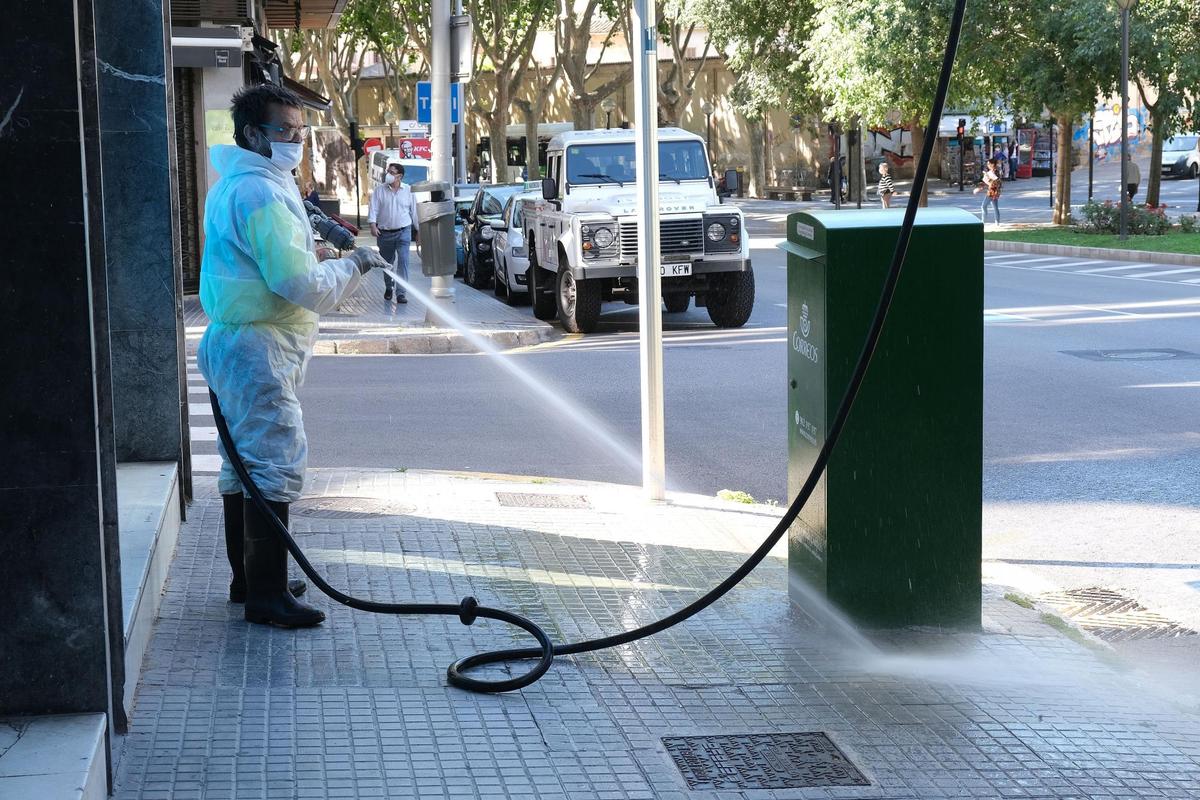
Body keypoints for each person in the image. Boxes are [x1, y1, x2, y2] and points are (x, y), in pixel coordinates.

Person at [198, 84, 387, 629]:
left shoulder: (242, 183)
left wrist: (323, 250)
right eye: (285, 131)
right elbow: (295, 282)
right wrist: (353, 268)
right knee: (272, 463)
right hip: (259, 346)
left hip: (241, 340)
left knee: (244, 466)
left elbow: (273, 261)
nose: (295, 142)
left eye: (301, 132)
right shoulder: (259, 193)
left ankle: (254, 578)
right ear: (253, 134)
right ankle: (266, 595)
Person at [368, 162, 419, 303]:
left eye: (391, 172)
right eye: (387, 171)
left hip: (404, 231)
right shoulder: (380, 191)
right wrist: (373, 225)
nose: (387, 174)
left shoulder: (409, 191)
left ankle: (401, 293)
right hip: (384, 233)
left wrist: (419, 231)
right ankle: (389, 286)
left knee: (403, 262)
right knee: (387, 263)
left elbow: (414, 212)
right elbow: (373, 209)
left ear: (399, 176)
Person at [979, 158, 1002, 224]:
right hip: (993, 191)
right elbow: (987, 182)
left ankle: (983, 222)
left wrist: (987, 177)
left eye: (989, 164)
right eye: (987, 164)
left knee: (983, 206)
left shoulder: (995, 172)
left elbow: (995, 183)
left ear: (992, 164)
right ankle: (997, 222)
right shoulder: (991, 172)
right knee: (995, 207)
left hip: (992, 191)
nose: (988, 165)